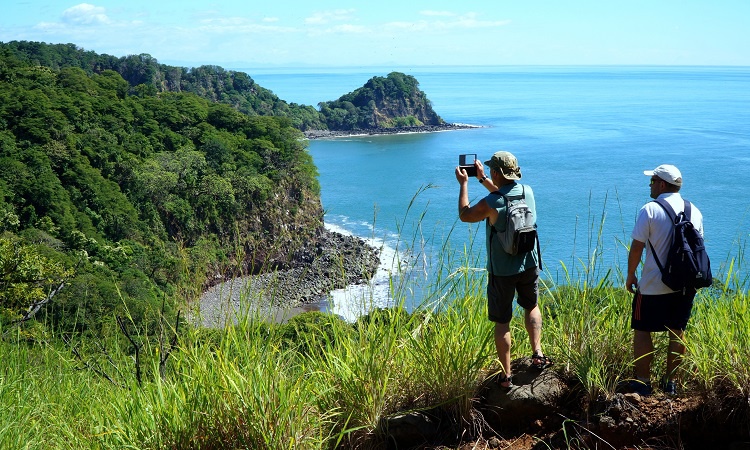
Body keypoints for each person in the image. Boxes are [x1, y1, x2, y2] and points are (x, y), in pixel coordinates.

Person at [455, 151, 550, 389]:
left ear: (496, 172)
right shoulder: (527, 191)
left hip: (502, 271)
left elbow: (465, 215)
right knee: (532, 306)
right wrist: (483, 178)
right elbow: (504, 195)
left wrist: (464, 184)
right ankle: (537, 353)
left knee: (502, 322)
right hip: (529, 262)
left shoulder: (491, 203)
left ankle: (506, 375)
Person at [625, 164, 704, 396]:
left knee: (642, 330)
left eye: (652, 181)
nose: (649, 185)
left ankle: (643, 382)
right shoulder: (694, 210)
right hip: (684, 285)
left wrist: (631, 274)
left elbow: (637, 247)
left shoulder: (649, 209)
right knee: (677, 331)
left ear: (662, 184)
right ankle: (671, 382)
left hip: (652, 285)